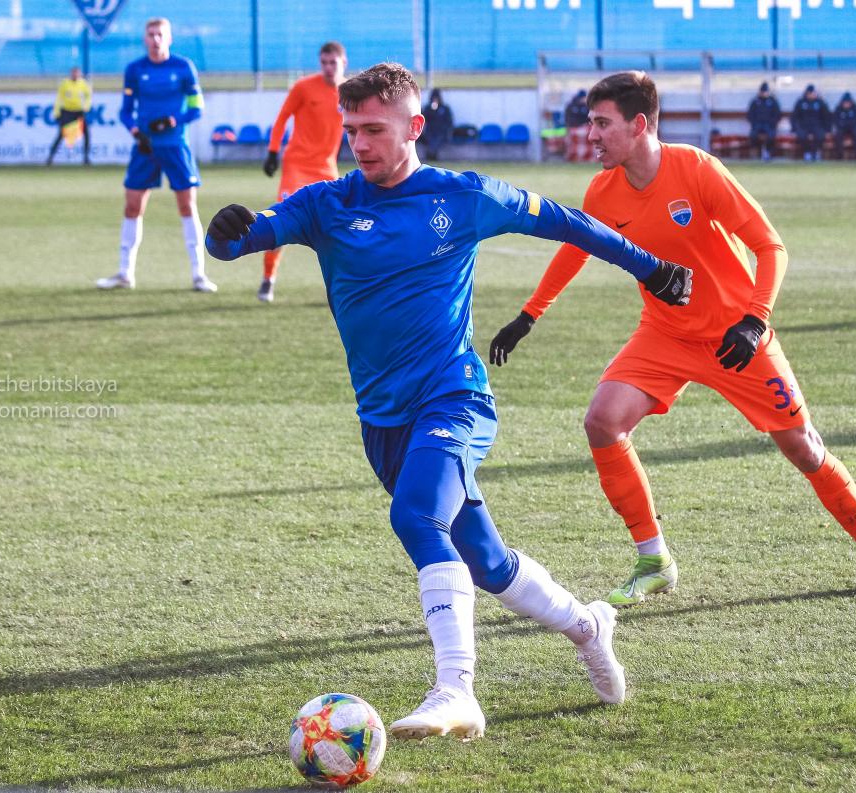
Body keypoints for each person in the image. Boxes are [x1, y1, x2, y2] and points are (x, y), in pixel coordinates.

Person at [205, 63, 693, 741]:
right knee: (486, 562)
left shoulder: (463, 196)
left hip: (454, 397)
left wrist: (652, 267)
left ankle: (456, 689)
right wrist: (224, 231)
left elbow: (566, 222)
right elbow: (240, 239)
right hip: (383, 420)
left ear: (414, 126)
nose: (360, 144)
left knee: (414, 517)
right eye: (353, 130)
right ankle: (588, 625)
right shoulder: (326, 205)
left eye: (375, 130)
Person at [489, 71, 856, 607]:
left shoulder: (696, 169)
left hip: (738, 337)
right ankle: (654, 560)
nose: (590, 134)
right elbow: (577, 247)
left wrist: (755, 320)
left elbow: (770, 246)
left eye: (601, 123)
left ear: (638, 124)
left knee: (805, 449)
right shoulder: (603, 189)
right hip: (665, 334)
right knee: (602, 421)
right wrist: (529, 316)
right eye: (590, 122)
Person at [96, 17, 215, 292]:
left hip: (175, 146)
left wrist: (175, 120)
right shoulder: (135, 70)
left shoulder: (183, 67)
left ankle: (199, 274)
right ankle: (125, 273)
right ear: (145, 39)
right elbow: (125, 111)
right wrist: (136, 132)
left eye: (160, 34)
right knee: (132, 206)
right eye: (151, 34)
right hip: (145, 148)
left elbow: (197, 108)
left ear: (169, 38)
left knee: (187, 206)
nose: (156, 39)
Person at [258, 41, 348, 303]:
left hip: (326, 167)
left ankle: (341, 286)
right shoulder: (304, 87)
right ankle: (268, 278)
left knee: (338, 226)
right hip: (297, 165)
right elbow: (282, 117)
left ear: (344, 63)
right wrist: (273, 151)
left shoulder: (350, 92)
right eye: (324, 62)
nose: (328, 67)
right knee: (282, 220)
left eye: (333, 62)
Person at [46, 66, 92, 166]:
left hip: (79, 112)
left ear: (80, 74)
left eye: (77, 73)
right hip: (67, 112)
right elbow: (59, 98)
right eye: (73, 73)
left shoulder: (83, 84)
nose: (75, 75)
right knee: (61, 134)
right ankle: (50, 157)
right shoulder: (65, 83)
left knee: (86, 133)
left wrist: (86, 107)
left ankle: (86, 158)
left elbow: (88, 97)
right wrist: (56, 112)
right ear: (71, 74)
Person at [791, 84, 831, 161]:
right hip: (804, 126)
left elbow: (826, 116)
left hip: (817, 125)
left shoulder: (820, 102)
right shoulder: (800, 102)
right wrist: (795, 128)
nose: (811, 95)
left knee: (820, 135)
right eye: (810, 93)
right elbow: (795, 117)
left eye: (813, 93)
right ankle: (807, 152)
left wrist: (827, 129)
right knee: (802, 136)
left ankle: (816, 152)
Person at [746, 81, 781, 161]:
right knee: (753, 135)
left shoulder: (773, 101)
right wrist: (754, 124)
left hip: (769, 125)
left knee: (771, 136)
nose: (764, 93)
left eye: (765, 91)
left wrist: (773, 124)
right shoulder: (755, 101)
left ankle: (767, 153)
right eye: (762, 92)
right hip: (757, 125)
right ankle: (757, 153)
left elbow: (777, 114)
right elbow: (750, 114)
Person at [419, 88, 454, 161]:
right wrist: (431, 110)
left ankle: (432, 153)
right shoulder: (428, 108)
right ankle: (431, 153)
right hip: (430, 131)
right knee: (429, 138)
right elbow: (424, 119)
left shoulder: (445, 108)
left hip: (441, 132)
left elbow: (449, 122)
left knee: (437, 139)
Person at [832, 92, 856, 160]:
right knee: (838, 134)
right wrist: (839, 126)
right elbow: (835, 120)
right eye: (845, 103)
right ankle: (839, 155)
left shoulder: (855, 107)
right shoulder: (838, 108)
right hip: (842, 127)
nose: (846, 104)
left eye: (848, 103)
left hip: (853, 127)